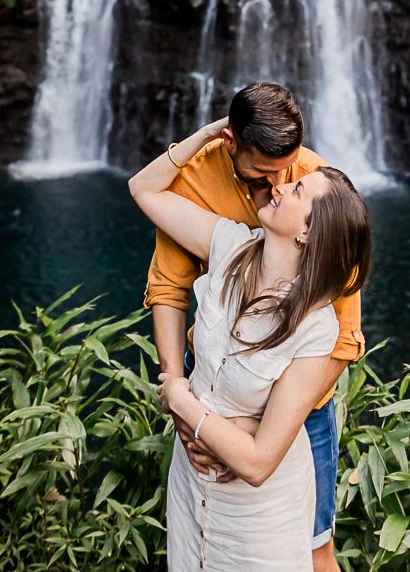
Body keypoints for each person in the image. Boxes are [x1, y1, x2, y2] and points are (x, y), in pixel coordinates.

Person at [131, 113, 372, 570]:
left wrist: (195, 405)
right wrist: (203, 134)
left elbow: (342, 342)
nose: (281, 182)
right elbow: (146, 200)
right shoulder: (228, 241)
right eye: (268, 172)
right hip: (200, 457)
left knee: (318, 550)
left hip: (290, 430)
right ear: (235, 144)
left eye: (294, 185)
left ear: (307, 232)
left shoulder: (323, 196)